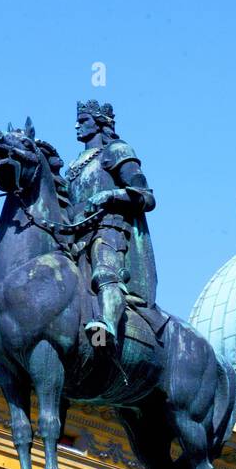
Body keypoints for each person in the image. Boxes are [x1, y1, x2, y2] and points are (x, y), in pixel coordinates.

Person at [66, 100, 157, 342]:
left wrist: (111, 195)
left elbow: (146, 197)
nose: (77, 125)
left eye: (84, 121)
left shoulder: (117, 150)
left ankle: (106, 325)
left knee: (105, 273)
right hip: (75, 236)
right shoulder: (74, 165)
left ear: (99, 123)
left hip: (108, 229)